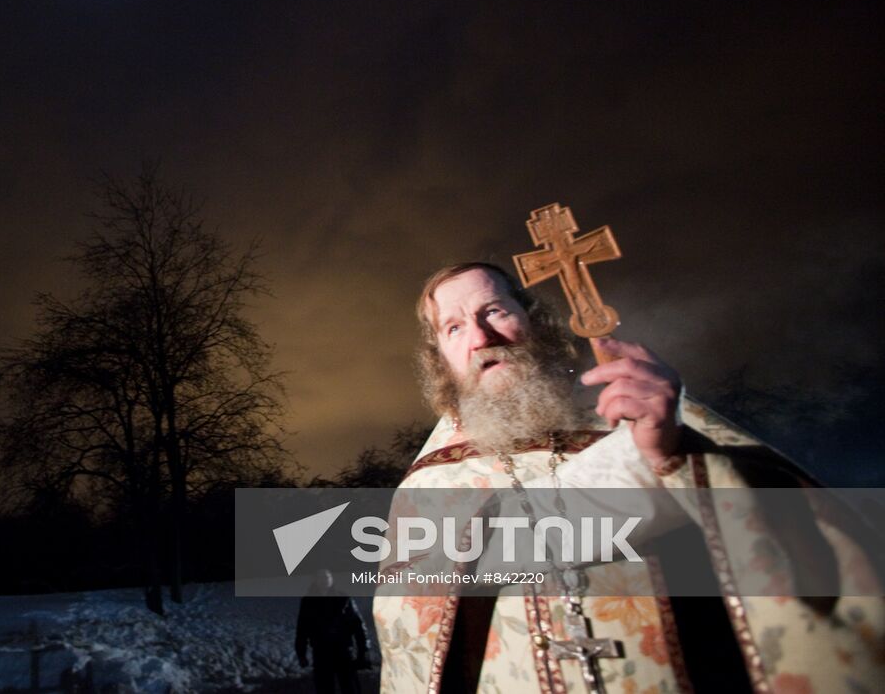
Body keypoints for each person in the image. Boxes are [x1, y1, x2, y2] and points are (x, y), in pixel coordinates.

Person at [373, 262, 884, 693]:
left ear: (535, 321)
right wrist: (634, 470)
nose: (482, 338)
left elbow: (787, 510)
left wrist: (676, 456)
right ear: (439, 357)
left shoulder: (643, 410)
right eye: (454, 327)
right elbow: (414, 614)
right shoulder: (432, 477)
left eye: (495, 311)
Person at [297, 569, 372, 694]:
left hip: (343, 651)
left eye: (327, 577)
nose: (325, 580)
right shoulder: (308, 601)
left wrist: (363, 650)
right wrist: (301, 653)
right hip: (321, 651)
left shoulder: (343, 598)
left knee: (350, 687)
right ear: (315, 580)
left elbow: (358, 626)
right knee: (324, 688)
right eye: (321, 577)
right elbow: (303, 628)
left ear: (332, 579)